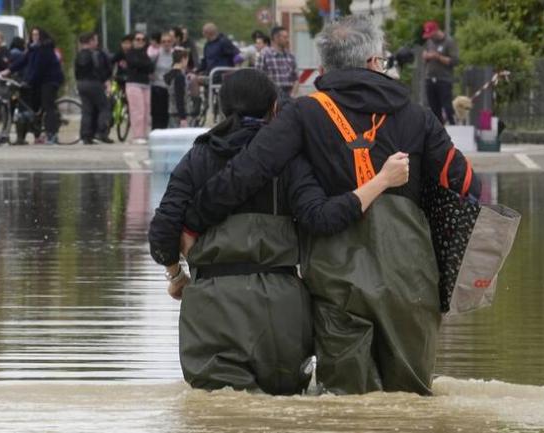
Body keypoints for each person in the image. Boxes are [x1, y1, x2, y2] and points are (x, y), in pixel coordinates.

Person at [180, 15, 481, 396]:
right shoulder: (417, 116)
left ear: (324, 67)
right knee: (411, 399)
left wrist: (191, 222)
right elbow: (468, 184)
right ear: (374, 61)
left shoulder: (304, 113)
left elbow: (245, 174)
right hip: (410, 276)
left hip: (337, 276)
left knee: (345, 401)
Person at [148, 68, 410, 395]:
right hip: (281, 310)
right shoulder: (291, 161)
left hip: (211, 304)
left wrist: (176, 276)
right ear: (275, 108)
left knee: (218, 413)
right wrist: (382, 180)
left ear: (222, 106)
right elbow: (322, 218)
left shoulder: (196, 158)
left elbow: (162, 231)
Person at [6, 27, 64, 144]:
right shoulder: (32, 49)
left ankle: (52, 134)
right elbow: (23, 61)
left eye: (37, 35)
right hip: (39, 81)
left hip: (49, 80)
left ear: (42, 36)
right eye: (33, 35)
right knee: (35, 108)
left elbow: (39, 68)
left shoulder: (45, 49)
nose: (34, 37)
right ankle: (36, 134)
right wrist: (9, 70)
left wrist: (28, 81)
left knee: (48, 107)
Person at [75, 32, 113, 144]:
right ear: (90, 41)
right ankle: (100, 132)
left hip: (81, 83)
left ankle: (86, 135)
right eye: (95, 41)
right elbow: (99, 70)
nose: (97, 43)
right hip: (94, 83)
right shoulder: (94, 54)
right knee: (104, 106)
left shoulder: (79, 55)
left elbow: (76, 71)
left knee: (87, 110)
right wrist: (105, 81)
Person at [422, 20, 459, 125]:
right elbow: (425, 53)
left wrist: (437, 57)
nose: (430, 37)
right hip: (430, 78)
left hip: (444, 79)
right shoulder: (429, 42)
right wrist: (426, 56)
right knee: (433, 108)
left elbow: (454, 61)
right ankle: (438, 130)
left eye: (431, 34)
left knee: (447, 107)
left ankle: (453, 126)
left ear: (437, 31)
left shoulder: (449, 42)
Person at [124, 32, 154, 145]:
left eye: (143, 39)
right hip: (133, 84)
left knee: (146, 110)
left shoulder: (145, 53)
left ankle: (144, 134)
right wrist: (144, 65)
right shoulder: (130, 53)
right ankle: (137, 135)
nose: (140, 41)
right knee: (138, 110)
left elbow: (151, 67)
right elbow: (135, 63)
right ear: (133, 41)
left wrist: (143, 65)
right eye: (137, 39)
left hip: (145, 84)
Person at [256, 26, 299, 104]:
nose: (288, 40)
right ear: (276, 38)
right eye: (285, 37)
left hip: (288, 98)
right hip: (270, 98)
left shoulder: (290, 56)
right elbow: (257, 78)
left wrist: (292, 96)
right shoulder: (264, 55)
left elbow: (296, 79)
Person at [150, 31, 175, 130]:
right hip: (158, 87)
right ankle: (155, 131)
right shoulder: (156, 55)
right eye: (163, 41)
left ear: (172, 42)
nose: (166, 43)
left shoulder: (175, 54)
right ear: (160, 43)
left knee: (167, 113)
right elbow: (150, 68)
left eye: (168, 41)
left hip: (171, 88)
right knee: (156, 113)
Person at [164, 49, 189, 127]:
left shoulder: (168, 75)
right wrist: (183, 117)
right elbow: (179, 97)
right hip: (178, 113)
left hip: (170, 111)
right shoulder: (179, 77)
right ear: (183, 59)